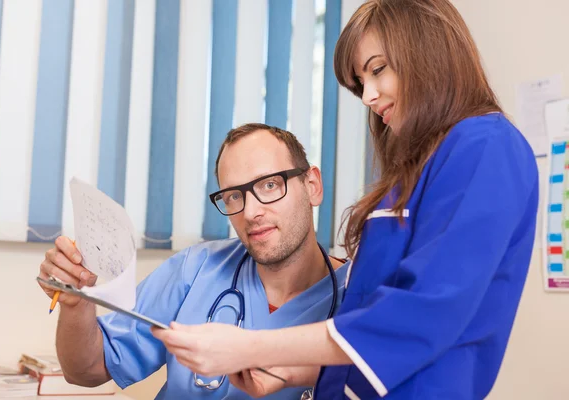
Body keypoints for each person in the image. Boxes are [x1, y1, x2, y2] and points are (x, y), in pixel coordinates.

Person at [152, 0, 539, 399]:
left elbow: (420, 316)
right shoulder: (419, 169)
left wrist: (251, 345)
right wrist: (294, 372)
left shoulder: (485, 146)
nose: (368, 96)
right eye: (360, 83)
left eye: (377, 70)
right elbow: (374, 341)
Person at [37, 123, 349, 399]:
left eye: (269, 185)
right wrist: (75, 305)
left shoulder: (360, 294)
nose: (251, 212)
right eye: (233, 196)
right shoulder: (199, 268)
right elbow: (87, 370)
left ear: (312, 186)